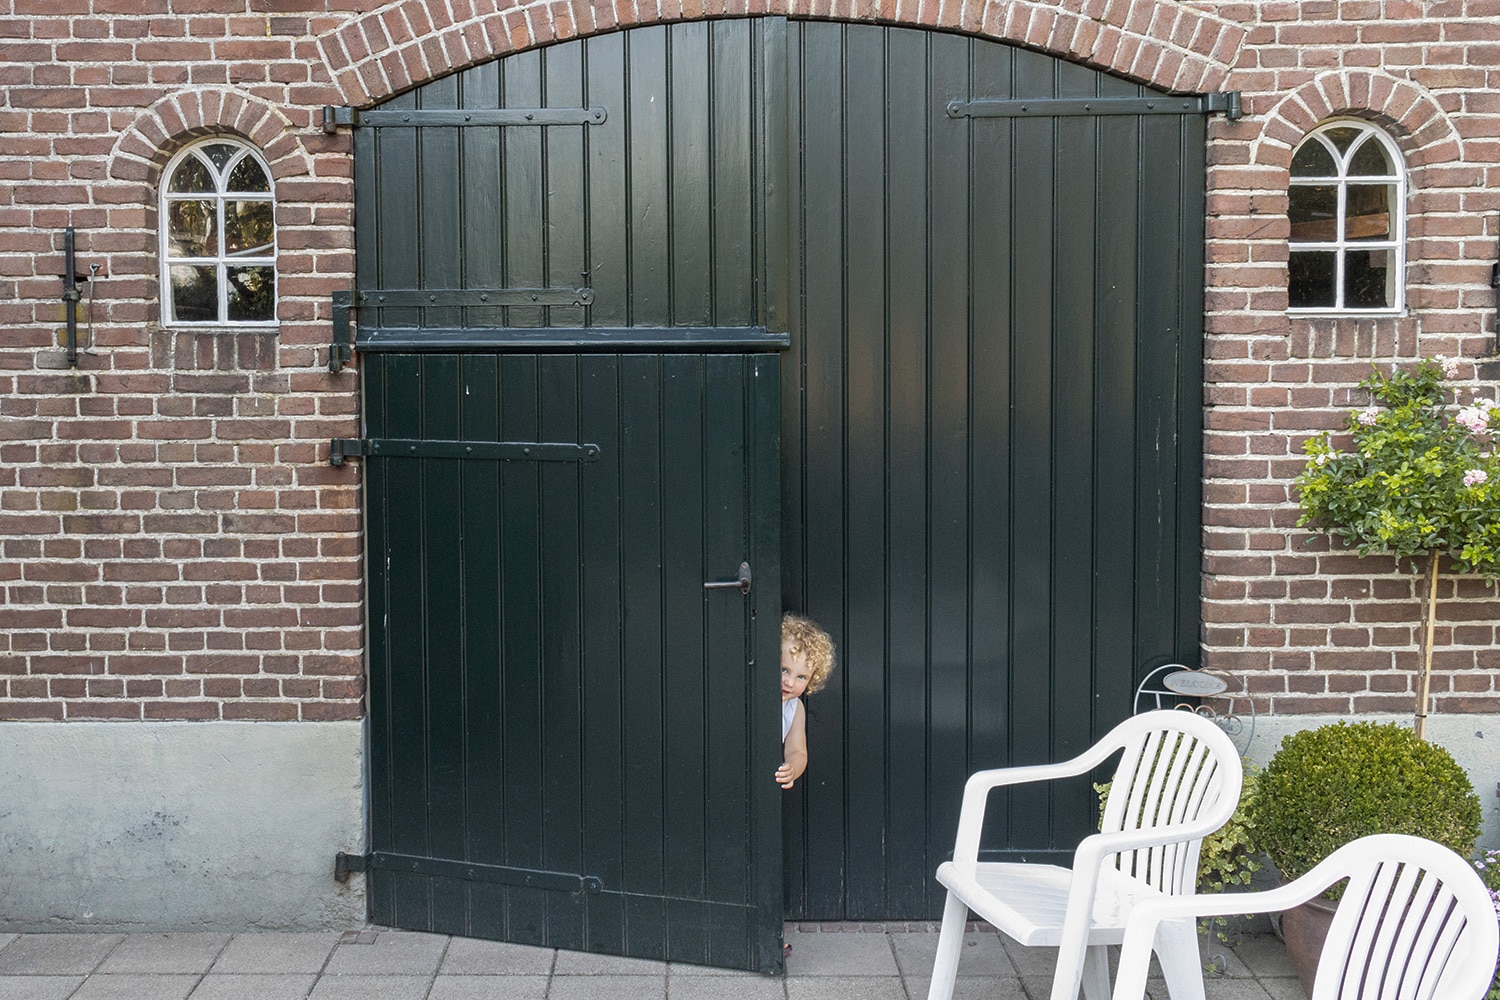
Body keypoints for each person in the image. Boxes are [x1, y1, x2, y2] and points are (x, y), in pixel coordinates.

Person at [776, 613, 834, 790]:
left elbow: (798, 751)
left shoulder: (795, 708)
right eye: (784, 670)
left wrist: (792, 769)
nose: (790, 682)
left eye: (801, 677)